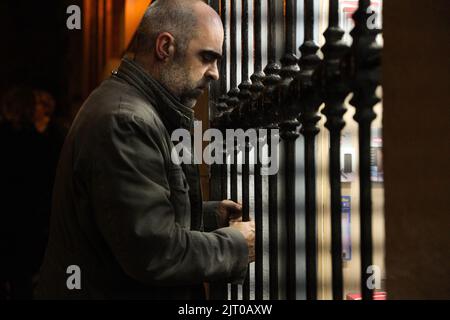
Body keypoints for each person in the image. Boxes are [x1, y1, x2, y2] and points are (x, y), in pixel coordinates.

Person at [35, 0, 255, 300]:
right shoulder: (126, 120)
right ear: (165, 47)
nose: (215, 73)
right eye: (207, 57)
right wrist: (235, 246)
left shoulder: (132, 108)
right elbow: (153, 253)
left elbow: (128, 219)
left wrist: (208, 217)